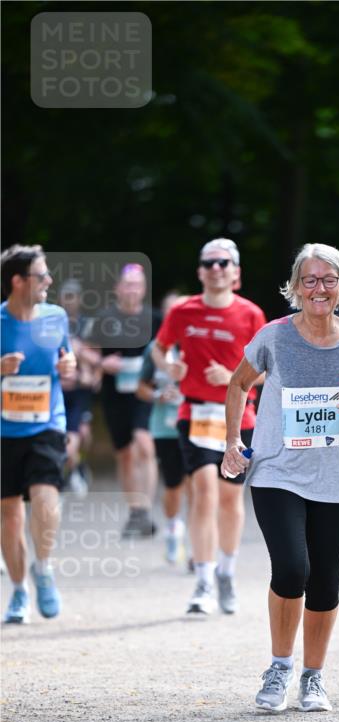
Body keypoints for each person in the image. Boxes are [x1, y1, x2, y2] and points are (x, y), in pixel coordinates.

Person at [222, 242, 339, 714]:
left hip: (335, 477)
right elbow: (238, 383)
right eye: (310, 280)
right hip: (277, 470)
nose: (319, 288)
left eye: (328, 279)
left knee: (325, 582)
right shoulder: (275, 336)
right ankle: (279, 666)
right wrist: (232, 442)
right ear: (296, 287)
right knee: (292, 569)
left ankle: (313, 677)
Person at [152, 238, 266, 614]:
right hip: (195, 414)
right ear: (200, 271)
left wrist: (233, 378)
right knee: (203, 490)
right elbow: (159, 346)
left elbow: (269, 371)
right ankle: (202, 580)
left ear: (236, 273)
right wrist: (169, 365)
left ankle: (226, 574)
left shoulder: (251, 314)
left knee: (230, 498)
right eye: (210, 263)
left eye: (224, 263)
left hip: (238, 415)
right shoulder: (183, 311)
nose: (217, 268)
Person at [1, 245, 77, 623]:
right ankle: (18, 592)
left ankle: (43, 567)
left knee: (45, 497)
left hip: (47, 422)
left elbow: (68, 359)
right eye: (41, 275)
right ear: (18, 281)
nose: (49, 280)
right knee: (9, 513)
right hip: (4, 429)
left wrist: (69, 365)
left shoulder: (55, 317)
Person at [93, 263, 160, 537]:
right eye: (128, 284)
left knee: (144, 443)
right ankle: (135, 512)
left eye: (137, 284)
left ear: (144, 289)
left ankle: (145, 509)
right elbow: (81, 350)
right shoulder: (105, 318)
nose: (132, 289)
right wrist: (101, 361)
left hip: (145, 392)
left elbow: (171, 350)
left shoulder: (156, 318)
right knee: (124, 454)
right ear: (118, 288)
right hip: (115, 393)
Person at [136, 338, 190, 564]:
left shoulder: (198, 341)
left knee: (199, 484)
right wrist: (158, 395)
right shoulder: (155, 349)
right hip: (165, 428)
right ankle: (173, 527)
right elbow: (140, 388)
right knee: (173, 486)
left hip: (198, 423)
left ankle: (198, 550)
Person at [58, 278, 101, 495]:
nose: (70, 301)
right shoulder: (54, 324)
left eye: (73, 296)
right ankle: (71, 471)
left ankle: (77, 466)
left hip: (81, 391)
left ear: (80, 299)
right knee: (67, 439)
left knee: (84, 434)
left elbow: (98, 359)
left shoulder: (88, 325)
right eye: (66, 296)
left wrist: (81, 353)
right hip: (62, 389)